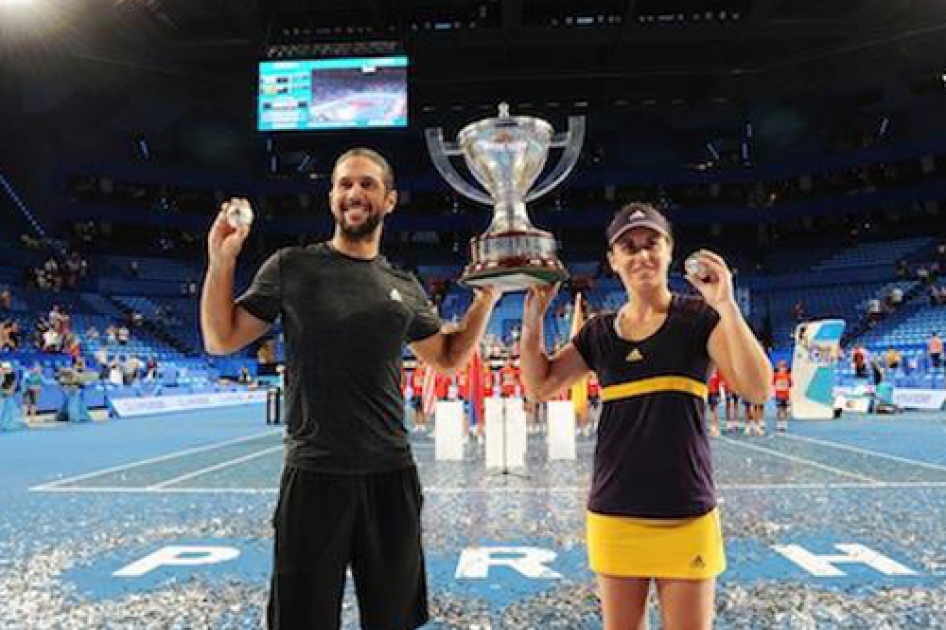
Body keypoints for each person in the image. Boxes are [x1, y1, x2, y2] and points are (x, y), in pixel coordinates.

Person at [200, 147, 500, 630]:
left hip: (390, 475)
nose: (353, 193)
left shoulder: (404, 284)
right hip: (315, 473)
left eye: (366, 184)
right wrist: (221, 260)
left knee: (394, 618)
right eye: (344, 184)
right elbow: (221, 337)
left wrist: (486, 299)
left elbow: (446, 358)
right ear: (331, 197)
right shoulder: (291, 266)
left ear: (390, 200)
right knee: (302, 619)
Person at [519, 203, 772, 630]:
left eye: (652, 243)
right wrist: (532, 324)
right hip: (615, 514)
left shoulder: (699, 319)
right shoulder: (598, 332)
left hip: (685, 513)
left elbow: (757, 387)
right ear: (613, 261)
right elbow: (540, 385)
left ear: (669, 250)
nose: (641, 256)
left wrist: (725, 303)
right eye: (628, 247)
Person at [773, 360, 792, 432]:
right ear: (778, 367)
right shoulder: (776, 375)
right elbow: (773, 383)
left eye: (784, 366)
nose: (782, 368)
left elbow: (790, 384)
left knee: (785, 410)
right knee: (779, 409)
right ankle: (779, 423)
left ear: (786, 367)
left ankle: (784, 423)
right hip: (778, 395)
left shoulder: (788, 375)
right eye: (781, 366)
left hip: (786, 395)